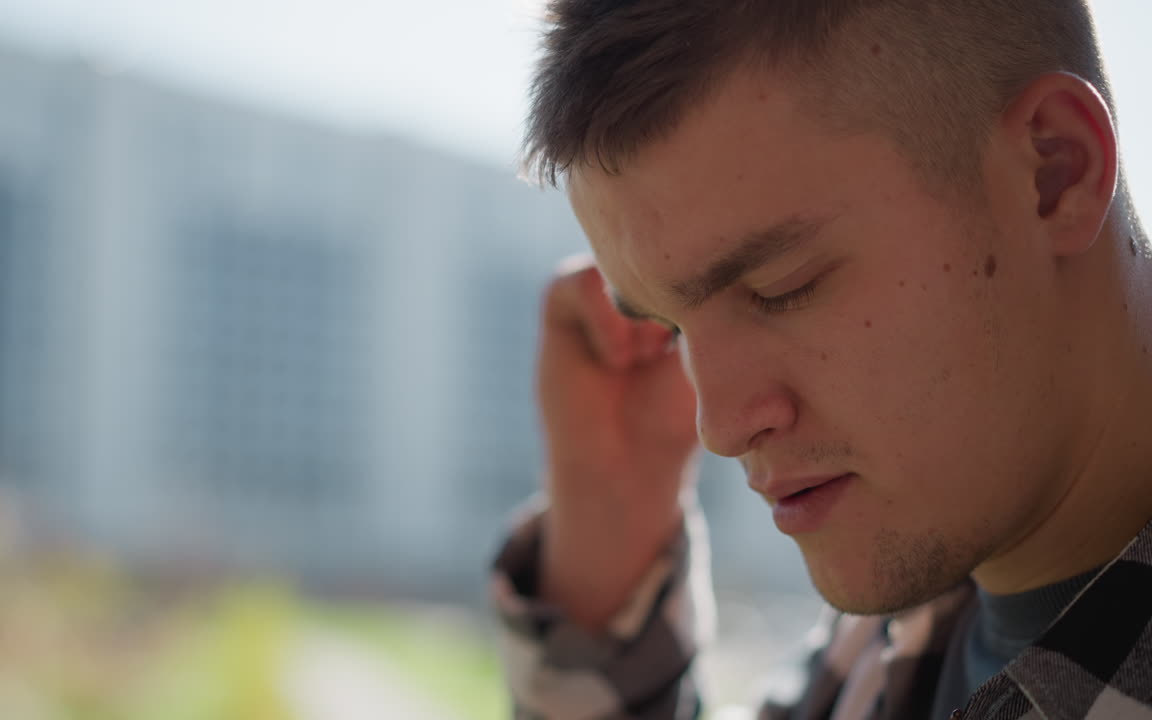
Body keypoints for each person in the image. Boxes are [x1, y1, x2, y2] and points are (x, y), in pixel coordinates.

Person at [488, 1, 1152, 718]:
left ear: (1055, 170)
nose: (719, 428)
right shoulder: (898, 629)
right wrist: (604, 538)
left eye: (783, 288)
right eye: (669, 328)